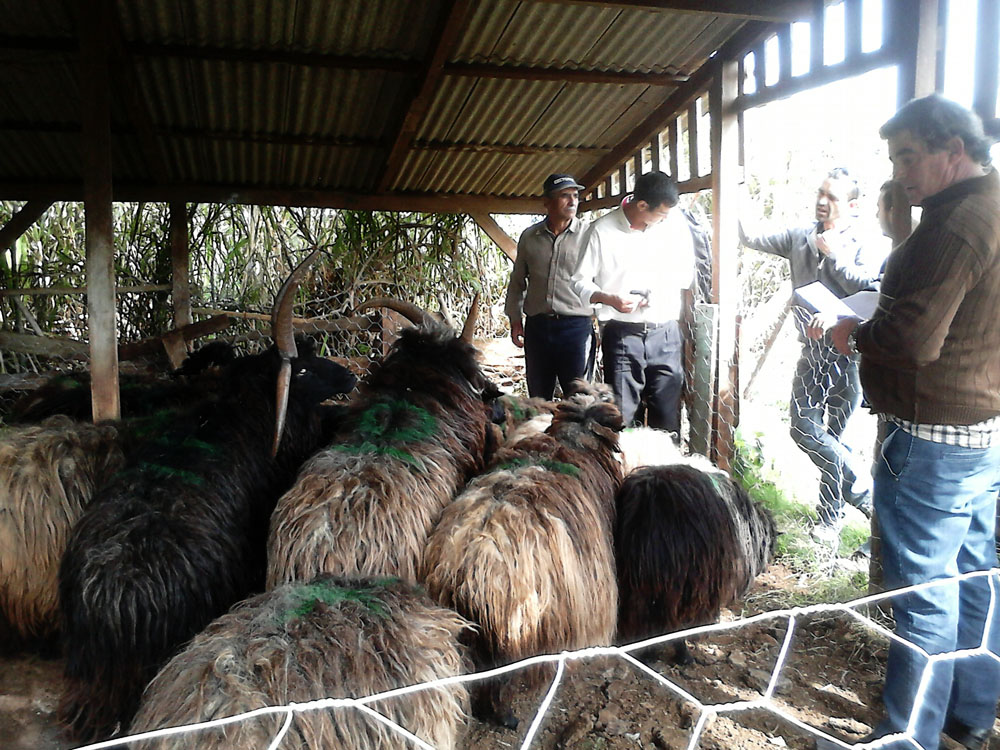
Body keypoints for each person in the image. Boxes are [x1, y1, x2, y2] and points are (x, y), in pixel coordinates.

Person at [823, 94, 1000, 750]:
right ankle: (969, 712)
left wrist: (855, 333)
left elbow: (917, 337)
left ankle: (905, 740)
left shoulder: (955, 223)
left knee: (925, 592)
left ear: (952, 152)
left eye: (908, 156)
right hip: (978, 429)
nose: (898, 171)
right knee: (976, 570)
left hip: (929, 435)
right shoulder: (983, 208)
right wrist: (904, 236)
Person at [739, 168, 882, 545]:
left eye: (831, 197)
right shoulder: (800, 234)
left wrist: (835, 260)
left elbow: (873, 291)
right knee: (804, 429)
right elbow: (749, 235)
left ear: (851, 206)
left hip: (849, 354)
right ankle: (865, 494)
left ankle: (829, 522)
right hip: (810, 351)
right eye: (820, 193)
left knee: (838, 436)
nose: (821, 201)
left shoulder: (868, 242)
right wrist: (736, 190)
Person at [570, 170, 694, 435]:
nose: (665, 219)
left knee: (667, 417)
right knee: (622, 417)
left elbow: (686, 274)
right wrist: (608, 298)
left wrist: (659, 289)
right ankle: (625, 471)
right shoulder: (601, 231)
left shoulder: (675, 226)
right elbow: (578, 281)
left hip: (666, 334)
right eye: (660, 214)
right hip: (624, 334)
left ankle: (666, 473)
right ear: (641, 205)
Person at [504, 173, 594, 400]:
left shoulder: (589, 236)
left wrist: (601, 323)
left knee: (579, 398)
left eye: (575, 195)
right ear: (547, 202)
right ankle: (540, 435)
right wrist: (515, 319)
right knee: (538, 396)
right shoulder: (530, 237)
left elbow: (603, 279)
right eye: (565, 196)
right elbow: (517, 281)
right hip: (538, 328)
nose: (573, 201)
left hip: (576, 328)